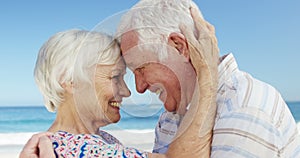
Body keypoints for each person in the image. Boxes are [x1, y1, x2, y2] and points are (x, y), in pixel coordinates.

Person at [116, 0, 300, 157]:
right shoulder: (170, 118)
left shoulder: (244, 106)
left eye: (141, 68)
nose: (139, 87)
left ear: (179, 47)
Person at [20, 24, 219, 158]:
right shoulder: (76, 149)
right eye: (115, 77)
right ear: (69, 81)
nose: (126, 91)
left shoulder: (96, 141)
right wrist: (207, 76)